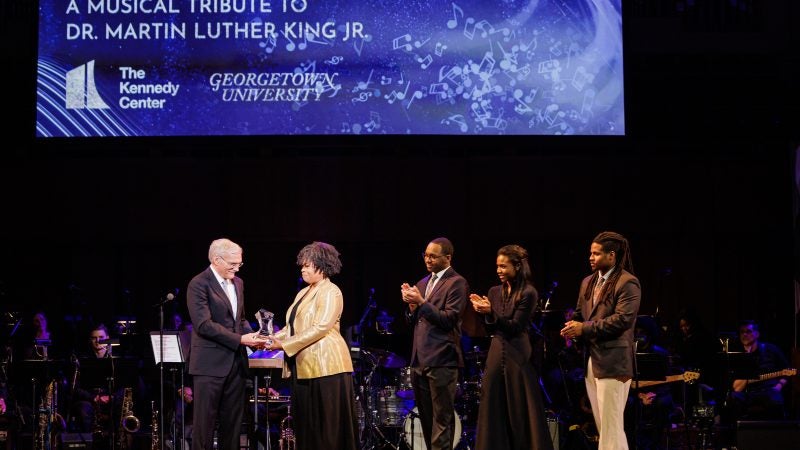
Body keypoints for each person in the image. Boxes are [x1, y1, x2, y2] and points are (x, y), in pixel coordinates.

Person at [264, 241, 358, 450]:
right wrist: (270, 338)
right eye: (302, 265)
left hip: (327, 366)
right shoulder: (303, 292)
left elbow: (321, 326)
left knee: (327, 426)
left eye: (307, 265)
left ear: (322, 266)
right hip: (304, 365)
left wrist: (283, 344)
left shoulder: (331, 291)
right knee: (306, 425)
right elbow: (291, 328)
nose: (303, 269)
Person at [560, 231, 641, 450]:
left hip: (614, 362)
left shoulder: (627, 282)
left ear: (611, 256)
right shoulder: (588, 282)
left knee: (611, 425)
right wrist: (571, 327)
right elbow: (580, 313)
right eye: (590, 253)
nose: (591, 257)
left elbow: (622, 320)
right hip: (592, 361)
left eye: (596, 253)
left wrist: (583, 328)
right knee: (605, 426)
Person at [469, 244, 553, 450]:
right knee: (493, 405)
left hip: (518, 353)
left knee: (519, 407)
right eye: (497, 266)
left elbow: (516, 326)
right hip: (497, 350)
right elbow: (491, 328)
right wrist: (485, 313)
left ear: (517, 266)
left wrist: (492, 313)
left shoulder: (528, 292)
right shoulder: (494, 291)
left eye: (504, 266)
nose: (499, 270)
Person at [187, 238, 265, 450]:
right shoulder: (199, 283)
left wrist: (255, 337)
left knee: (232, 425)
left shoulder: (237, 283)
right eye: (233, 264)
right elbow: (203, 324)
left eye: (239, 263)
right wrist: (240, 339)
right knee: (204, 426)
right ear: (216, 259)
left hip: (236, 364)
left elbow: (239, 320)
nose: (237, 268)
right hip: (209, 365)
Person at [401, 237, 468, 450]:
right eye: (426, 255)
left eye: (433, 256)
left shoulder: (457, 282)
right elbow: (415, 322)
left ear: (447, 258)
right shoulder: (422, 283)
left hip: (442, 358)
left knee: (441, 421)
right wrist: (411, 307)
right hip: (420, 359)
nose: (428, 260)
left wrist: (421, 302)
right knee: (427, 421)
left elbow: (449, 319)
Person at [728, 320, 790, 420]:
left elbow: (787, 370)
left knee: (775, 401)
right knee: (731, 400)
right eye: (742, 332)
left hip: (769, 390)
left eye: (748, 331)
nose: (744, 334)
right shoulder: (737, 354)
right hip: (747, 392)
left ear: (757, 334)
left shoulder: (771, 349)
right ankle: (738, 434)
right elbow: (735, 384)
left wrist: (779, 385)